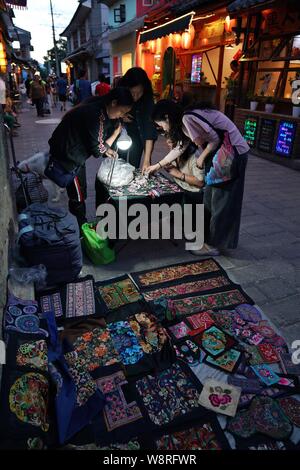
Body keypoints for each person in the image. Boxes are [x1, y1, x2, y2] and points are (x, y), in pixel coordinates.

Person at [146, 99, 249, 255]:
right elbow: (180, 147)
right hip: (222, 154)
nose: (162, 128)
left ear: (167, 117)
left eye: (160, 124)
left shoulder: (187, 118)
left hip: (231, 154)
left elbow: (214, 139)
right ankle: (207, 240)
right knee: (209, 199)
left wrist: (201, 158)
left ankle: (212, 245)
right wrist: (157, 166)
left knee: (221, 201)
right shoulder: (183, 121)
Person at [46, 87, 134, 228]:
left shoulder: (99, 106)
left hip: (73, 153)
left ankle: (80, 225)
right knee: (78, 197)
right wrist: (116, 134)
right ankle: (80, 230)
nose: (120, 116)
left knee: (81, 193)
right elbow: (98, 150)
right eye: (121, 112)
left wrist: (108, 150)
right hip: (69, 158)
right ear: (114, 102)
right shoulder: (96, 114)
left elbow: (94, 141)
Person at [117, 67, 157, 170]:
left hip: (138, 136)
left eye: (139, 93)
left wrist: (147, 160)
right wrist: (120, 115)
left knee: (133, 166)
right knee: (117, 163)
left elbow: (149, 130)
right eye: (132, 93)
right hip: (119, 134)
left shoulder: (147, 101)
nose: (135, 97)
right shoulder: (119, 92)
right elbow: (109, 110)